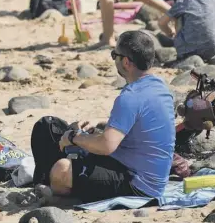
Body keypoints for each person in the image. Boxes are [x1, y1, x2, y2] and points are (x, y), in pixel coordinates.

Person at [35, 30, 175, 203]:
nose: (114, 59)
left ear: (126, 62)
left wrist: (73, 138)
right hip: (140, 169)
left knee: (61, 169)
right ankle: (51, 181)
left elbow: (106, 146)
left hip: (137, 183)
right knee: (48, 126)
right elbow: (141, 124)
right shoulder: (159, 87)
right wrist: (102, 121)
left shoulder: (130, 97)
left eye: (114, 55)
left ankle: (52, 184)